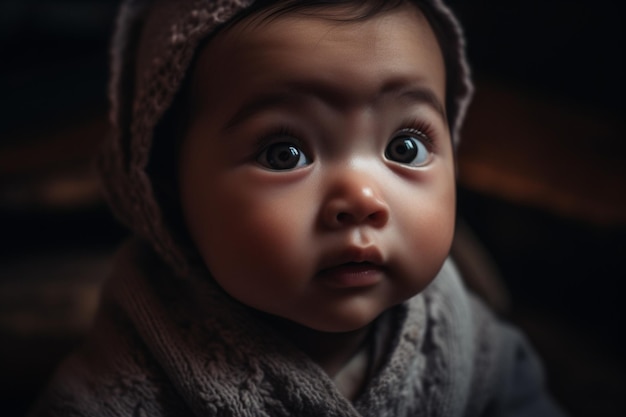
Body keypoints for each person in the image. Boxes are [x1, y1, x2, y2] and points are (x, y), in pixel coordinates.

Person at [29, 0, 567, 415]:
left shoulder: (461, 333)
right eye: (284, 154)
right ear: (166, 193)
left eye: (405, 147)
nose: (361, 199)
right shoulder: (128, 379)